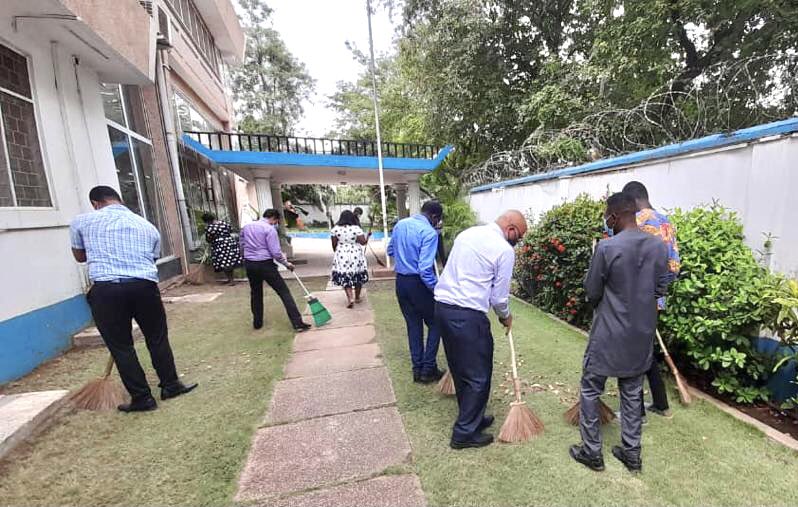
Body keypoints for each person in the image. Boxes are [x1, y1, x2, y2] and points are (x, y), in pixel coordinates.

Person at [70, 186, 197, 413]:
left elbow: (80, 256)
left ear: (95, 203)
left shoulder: (81, 222)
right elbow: (152, 257)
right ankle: (171, 385)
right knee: (157, 338)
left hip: (107, 290)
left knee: (121, 346)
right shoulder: (146, 226)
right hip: (144, 287)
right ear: (119, 200)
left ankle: (142, 398)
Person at [569, 192, 669, 473]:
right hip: (641, 334)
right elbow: (661, 288)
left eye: (606, 216)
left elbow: (592, 291)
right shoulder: (658, 246)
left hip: (608, 333)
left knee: (590, 389)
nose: (606, 221)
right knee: (632, 392)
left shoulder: (606, 248)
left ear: (613, 216)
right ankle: (632, 454)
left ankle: (592, 452)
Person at [434, 210, 526, 449]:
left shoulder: (468, 234)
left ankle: (472, 417)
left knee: (460, 368)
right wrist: (506, 317)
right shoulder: (504, 250)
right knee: (478, 374)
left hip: (443, 309)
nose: (518, 242)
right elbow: (499, 298)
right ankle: (464, 433)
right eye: (519, 237)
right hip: (467, 315)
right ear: (511, 229)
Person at [622, 181, 681, 419]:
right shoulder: (666, 222)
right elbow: (674, 266)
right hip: (656, 299)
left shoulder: (637, 221)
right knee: (644, 350)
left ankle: (636, 412)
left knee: (633, 353)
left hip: (636, 299)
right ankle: (660, 403)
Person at [387, 200, 445, 384]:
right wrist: (437, 290)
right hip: (419, 284)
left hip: (401, 282)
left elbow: (390, 250)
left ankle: (417, 369)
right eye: (438, 221)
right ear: (434, 216)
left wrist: (405, 256)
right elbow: (425, 269)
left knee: (413, 325)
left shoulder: (400, 224)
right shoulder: (429, 233)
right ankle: (428, 369)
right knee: (436, 323)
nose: (437, 224)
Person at [239, 209, 311, 332]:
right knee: (284, 292)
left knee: (255, 293)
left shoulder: (246, 227)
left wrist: (245, 258)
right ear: (273, 218)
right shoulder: (269, 230)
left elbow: (241, 245)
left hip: (250, 264)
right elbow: (275, 252)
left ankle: (257, 323)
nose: (275, 224)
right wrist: (286, 264)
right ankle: (297, 323)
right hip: (265, 264)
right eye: (276, 221)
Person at [330, 210, 369, 308]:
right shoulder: (356, 228)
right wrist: (368, 236)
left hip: (342, 253)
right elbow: (363, 242)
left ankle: (350, 298)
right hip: (355, 253)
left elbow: (334, 244)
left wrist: (337, 252)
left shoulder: (335, 229)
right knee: (357, 274)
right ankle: (357, 297)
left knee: (345, 275)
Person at [202, 212, 242, 285]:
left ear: (207, 221)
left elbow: (208, 238)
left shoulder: (210, 228)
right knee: (229, 261)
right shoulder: (224, 223)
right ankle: (231, 279)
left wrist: (212, 240)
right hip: (230, 243)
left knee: (224, 262)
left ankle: (230, 280)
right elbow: (230, 230)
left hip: (219, 246)